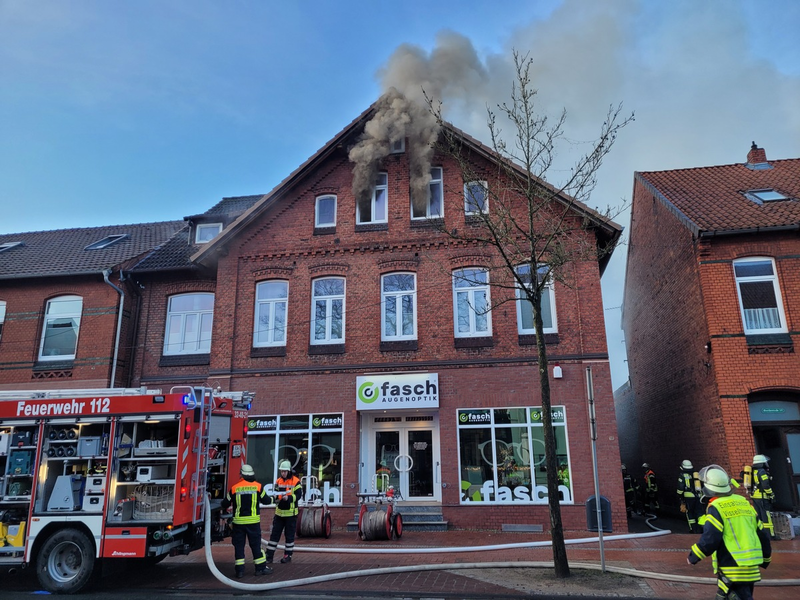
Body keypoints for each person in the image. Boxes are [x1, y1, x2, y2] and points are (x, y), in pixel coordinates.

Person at [687, 464, 771, 600]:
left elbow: (711, 537)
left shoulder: (716, 507)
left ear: (708, 487)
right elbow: (762, 534)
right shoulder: (744, 503)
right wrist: (766, 559)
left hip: (732, 567)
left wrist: (694, 556)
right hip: (751, 568)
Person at [220, 463, 272, 578]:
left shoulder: (234, 488)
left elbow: (224, 503)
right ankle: (260, 569)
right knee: (256, 546)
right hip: (253, 523)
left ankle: (240, 571)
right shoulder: (258, 486)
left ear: (241, 475)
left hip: (238, 523)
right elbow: (267, 501)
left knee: (239, 546)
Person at [265, 460, 303, 564]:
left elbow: (298, 495)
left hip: (291, 514)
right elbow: (276, 494)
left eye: (285, 471)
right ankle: (269, 556)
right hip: (279, 513)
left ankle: (288, 555)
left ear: (289, 471)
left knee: (289, 535)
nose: (283, 473)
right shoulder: (278, 481)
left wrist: (289, 498)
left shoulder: (296, 481)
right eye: (281, 471)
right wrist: (276, 498)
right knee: (274, 535)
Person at [750, 454, 775, 539]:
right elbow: (765, 485)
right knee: (766, 516)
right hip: (762, 497)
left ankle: (761, 535)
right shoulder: (762, 472)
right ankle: (770, 535)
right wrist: (771, 494)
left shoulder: (752, 471)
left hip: (754, 497)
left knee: (759, 517)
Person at [677, 459, 701, 533]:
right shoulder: (696, 474)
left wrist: (680, 497)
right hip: (699, 496)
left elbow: (680, 488)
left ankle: (693, 529)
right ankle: (702, 528)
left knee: (690, 513)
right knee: (699, 512)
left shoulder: (682, 475)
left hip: (689, 498)